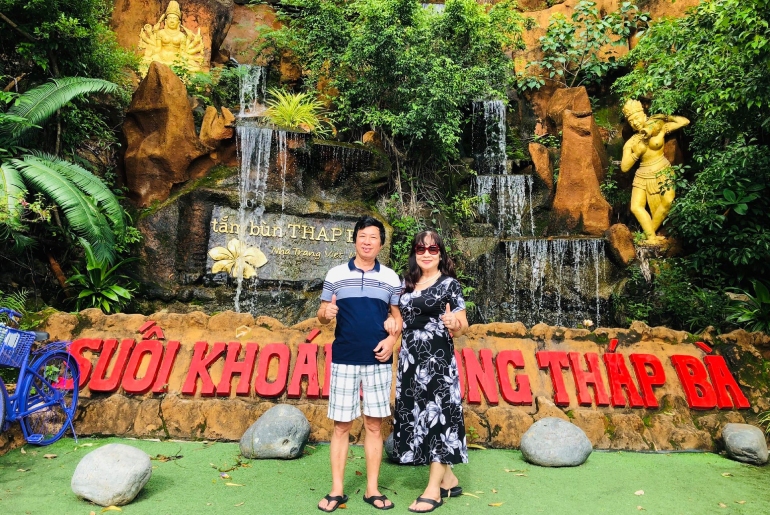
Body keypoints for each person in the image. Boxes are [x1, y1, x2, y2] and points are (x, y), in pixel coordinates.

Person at [317, 216, 402, 512]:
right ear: (355, 239)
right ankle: (336, 490)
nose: (367, 241)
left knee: (374, 426)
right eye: (362, 236)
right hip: (344, 358)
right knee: (341, 426)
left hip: (378, 360)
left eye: (373, 237)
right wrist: (326, 314)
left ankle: (372, 489)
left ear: (381, 243)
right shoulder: (336, 274)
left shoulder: (391, 278)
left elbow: (397, 317)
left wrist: (392, 340)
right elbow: (322, 313)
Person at [388, 230, 469, 513]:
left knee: (439, 420)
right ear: (414, 253)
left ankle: (433, 491)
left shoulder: (449, 285)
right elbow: (397, 319)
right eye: (421, 249)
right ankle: (449, 479)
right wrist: (390, 325)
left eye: (433, 249)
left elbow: (462, 324)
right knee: (417, 417)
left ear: (440, 254)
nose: (426, 254)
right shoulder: (404, 285)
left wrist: (453, 323)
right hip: (410, 363)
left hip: (438, 364)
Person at [620, 99, 690, 244]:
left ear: (643, 114)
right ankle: (651, 237)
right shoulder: (632, 142)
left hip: (662, 169)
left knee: (668, 201)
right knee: (635, 207)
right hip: (642, 174)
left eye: (637, 118)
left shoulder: (659, 127)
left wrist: (664, 117)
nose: (635, 123)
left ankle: (648, 235)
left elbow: (684, 121)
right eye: (631, 121)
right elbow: (624, 167)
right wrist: (636, 153)